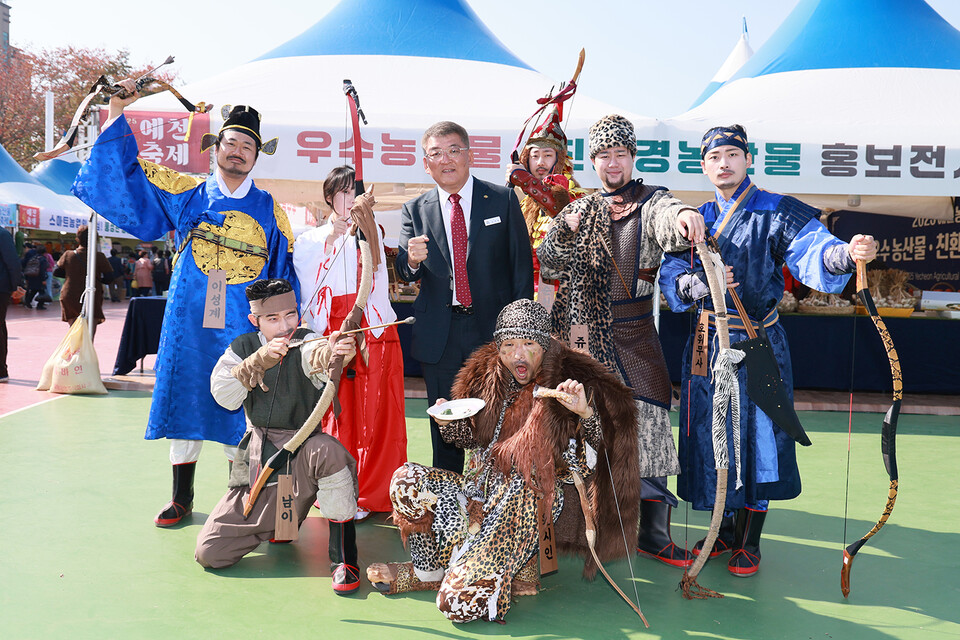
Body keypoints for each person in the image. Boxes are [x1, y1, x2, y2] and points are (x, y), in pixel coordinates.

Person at [72, 77, 297, 528]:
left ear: (257, 155)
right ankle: (182, 496)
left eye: (246, 147)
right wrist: (117, 110)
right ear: (216, 148)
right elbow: (128, 174)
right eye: (230, 143)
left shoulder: (273, 212)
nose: (237, 152)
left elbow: (283, 279)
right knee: (185, 397)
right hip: (189, 322)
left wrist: (281, 331)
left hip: (242, 325)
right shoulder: (187, 193)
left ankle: (249, 504)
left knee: (252, 407)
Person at [658, 124, 879, 577]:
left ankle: (749, 541)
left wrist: (848, 254)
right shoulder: (694, 217)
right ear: (703, 166)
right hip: (707, 342)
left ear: (747, 160)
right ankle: (722, 528)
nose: (724, 163)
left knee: (757, 438)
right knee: (711, 435)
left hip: (757, 340)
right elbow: (671, 273)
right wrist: (699, 283)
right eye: (714, 156)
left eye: (732, 155)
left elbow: (815, 251)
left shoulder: (776, 210)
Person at [366, 299, 639, 623]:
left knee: (456, 604)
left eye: (528, 344)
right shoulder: (491, 376)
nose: (518, 355)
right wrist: (452, 425)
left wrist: (585, 415)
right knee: (408, 481)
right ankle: (429, 574)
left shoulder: (565, 387)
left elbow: (586, 469)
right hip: (477, 495)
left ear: (544, 343)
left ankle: (491, 573)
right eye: (509, 345)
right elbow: (475, 444)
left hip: (525, 505)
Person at [537, 114, 706, 569]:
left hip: (633, 337)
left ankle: (652, 532)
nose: (612, 164)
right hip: (579, 338)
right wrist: (563, 229)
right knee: (577, 433)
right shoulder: (581, 206)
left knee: (648, 428)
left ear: (632, 157)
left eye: (620, 154)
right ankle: (577, 525)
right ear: (593, 161)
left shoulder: (652, 201)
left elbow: (669, 218)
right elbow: (549, 261)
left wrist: (687, 215)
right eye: (603, 156)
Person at [196, 278, 362, 595]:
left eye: (290, 315)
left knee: (329, 451)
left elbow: (317, 354)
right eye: (272, 319)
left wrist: (337, 349)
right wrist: (260, 359)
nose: (285, 325)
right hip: (265, 461)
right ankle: (281, 521)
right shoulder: (242, 348)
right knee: (210, 553)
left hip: (305, 454)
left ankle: (344, 559)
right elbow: (224, 396)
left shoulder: (306, 338)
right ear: (254, 320)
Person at [395, 120, 534, 473]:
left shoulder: (502, 200)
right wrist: (410, 260)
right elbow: (404, 272)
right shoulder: (415, 210)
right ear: (426, 163)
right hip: (438, 336)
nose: (446, 160)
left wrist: (519, 335)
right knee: (446, 426)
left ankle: (495, 508)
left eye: (454, 150)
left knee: (499, 424)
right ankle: (449, 508)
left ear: (470, 156)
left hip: (493, 334)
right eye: (436, 153)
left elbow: (521, 271)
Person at [293, 165, 407, 519]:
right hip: (336, 333)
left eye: (354, 193)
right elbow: (308, 283)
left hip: (374, 330)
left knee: (380, 414)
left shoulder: (371, 231)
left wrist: (365, 227)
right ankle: (340, 490)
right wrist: (330, 238)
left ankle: (377, 491)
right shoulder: (311, 239)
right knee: (338, 414)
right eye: (342, 193)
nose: (349, 200)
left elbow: (378, 278)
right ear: (329, 197)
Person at [504, 105, 586, 292]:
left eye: (548, 155)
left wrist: (524, 179)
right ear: (526, 160)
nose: (540, 162)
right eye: (535, 156)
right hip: (526, 293)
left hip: (564, 295)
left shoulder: (574, 194)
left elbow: (556, 203)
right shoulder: (526, 203)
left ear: (560, 159)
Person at [54, 226, 113, 334]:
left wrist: (71, 275)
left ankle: (75, 350)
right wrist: (97, 279)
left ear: (77, 239)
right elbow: (109, 277)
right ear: (95, 239)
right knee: (90, 330)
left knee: (74, 329)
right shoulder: (99, 256)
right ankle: (86, 349)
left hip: (70, 294)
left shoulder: (68, 254)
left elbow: (56, 272)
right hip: (92, 294)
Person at [0, 227, 22, 382]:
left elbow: (12, 262)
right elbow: (12, 260)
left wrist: (17, 285)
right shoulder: (3, 234)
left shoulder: (2, 234)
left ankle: (1, 370)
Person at [21, 243, 48, 310]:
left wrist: (27, 278)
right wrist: (43, 279)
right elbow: (42, 270)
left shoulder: (33, 258)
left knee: (33, 290)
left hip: (32, 277)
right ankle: (40, 305)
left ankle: (28, 302)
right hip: (39, 278)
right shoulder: (43, 259)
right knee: (42, 291)